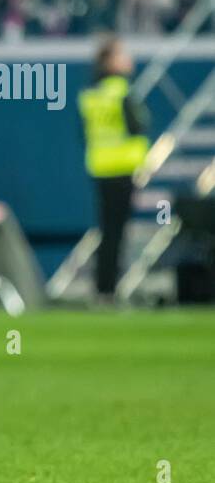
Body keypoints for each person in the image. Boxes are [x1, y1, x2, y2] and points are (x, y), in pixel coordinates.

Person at [78, 35, 149, 301]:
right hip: (123, 168)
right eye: (122, 55)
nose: (128, 59)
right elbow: (138, 126)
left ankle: (103, 286)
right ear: (110, 62)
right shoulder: (122, 92)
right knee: (117, 232)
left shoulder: (90, 95)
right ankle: (109, 288)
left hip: (100, 167)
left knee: (107, 230)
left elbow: (84, 132)